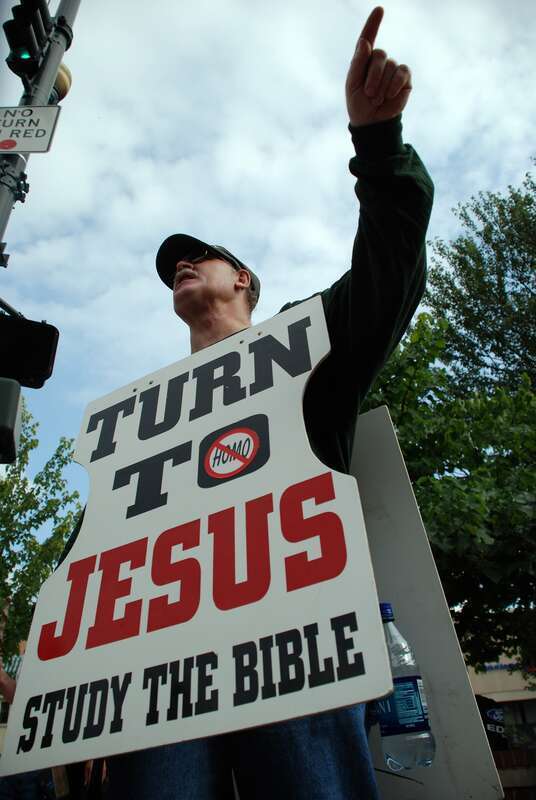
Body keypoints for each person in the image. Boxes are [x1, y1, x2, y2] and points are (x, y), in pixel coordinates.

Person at [104, 5, 433, 799]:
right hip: (160, 677)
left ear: (242, 279)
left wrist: (376, 144)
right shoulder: (142, 417)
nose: (181, 265)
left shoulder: (302, 344)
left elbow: (390, 271)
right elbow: (106, 552)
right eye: (172, 265)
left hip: (292, 649)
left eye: (198, 256)